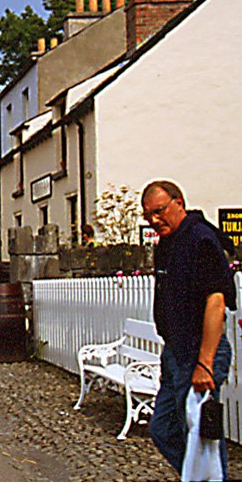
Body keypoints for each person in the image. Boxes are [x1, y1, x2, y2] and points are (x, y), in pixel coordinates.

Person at [141, 180, 236, 479]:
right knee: (164, 429)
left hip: (199, 352)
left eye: (159, 211)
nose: (154, 220)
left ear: (178, 203)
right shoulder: (169, 243)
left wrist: (205, 364)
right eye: (148, 216)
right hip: (176, 352)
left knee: (202, 436)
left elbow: (216, 303)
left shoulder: (200, 239)